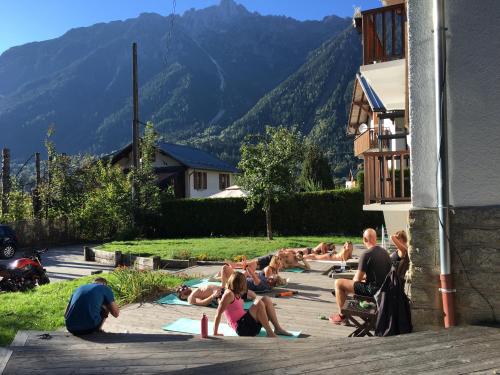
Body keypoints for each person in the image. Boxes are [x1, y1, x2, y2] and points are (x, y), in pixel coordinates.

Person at [330, 228, 391, 325]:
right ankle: (344, 308)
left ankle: (342, 316)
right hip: (384, 290)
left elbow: (356, 280)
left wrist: (349, 283)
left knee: (338, 283)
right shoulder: (384, 252)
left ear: (364, 239)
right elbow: (379, 273)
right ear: (376, 238)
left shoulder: (367, 254)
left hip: (373, 291)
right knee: (348, 284)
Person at [213, 272, 291, 337]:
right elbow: (218, 314)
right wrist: (215, 333)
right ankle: (270, 333)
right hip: (242, 329)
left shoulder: (237, 292)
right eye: (243, 282)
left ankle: (277, 329)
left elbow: (253, 295)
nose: (245, 284)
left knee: (266, 299)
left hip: (249, 325)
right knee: (258, 303)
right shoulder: (229, 294)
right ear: (238, 283)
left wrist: (265, 305)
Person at [176, 283, 256, 306]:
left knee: (253, 295)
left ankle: (238, 299)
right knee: (251, 296)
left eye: (185, 286)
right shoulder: (190, 298)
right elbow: (201, 303)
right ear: (182, 296)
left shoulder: (194, 289)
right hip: (219, 294)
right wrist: (213, 296)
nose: (185, 288)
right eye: (182, 289)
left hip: (223, 290)